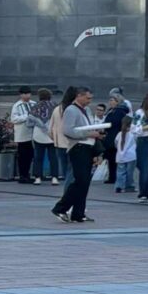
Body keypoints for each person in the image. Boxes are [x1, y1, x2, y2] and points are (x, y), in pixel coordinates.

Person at [54, 88, 101, 225]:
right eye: (87, 98)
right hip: (78, 147)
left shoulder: (86, 110)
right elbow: (68, 131)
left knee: (84, 182)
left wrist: (95, 147)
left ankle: (78, 213)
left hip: (88, 147)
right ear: (79, 96)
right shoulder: (71, 110)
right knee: (80, 180)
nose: (89, 101)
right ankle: (61, 208)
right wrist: (88, 134)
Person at [9, 87, 39, 185]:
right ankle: (22, 175)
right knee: (22, 155)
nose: (26, 96)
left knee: (30, 155)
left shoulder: (34, 104)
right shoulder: (17, 105)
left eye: (28, 93)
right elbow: (14, 119)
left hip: (33, 133)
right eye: (24, 94)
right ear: (20, 95)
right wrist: (26, 116)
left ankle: (28, 174)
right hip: (22, 133)